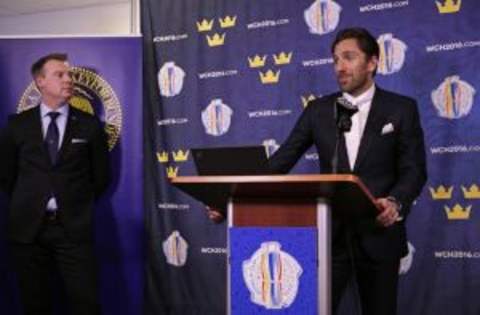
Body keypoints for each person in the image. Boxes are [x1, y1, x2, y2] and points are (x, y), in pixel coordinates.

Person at [206, 27, 427, 314]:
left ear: (372, 62)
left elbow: (414, 170)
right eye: (335, 60)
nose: (340, 67)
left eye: (349, 57)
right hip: (327, 239)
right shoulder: (319, 110)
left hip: (379, 236)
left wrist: (395, 202)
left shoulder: (402, 109)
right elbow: (279, 163)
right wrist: (228, 201)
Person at [0, 53, 109, 315]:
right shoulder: (17, 125)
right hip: (28, 230)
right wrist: (31, 201)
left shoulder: (91, 125)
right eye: (59, 75)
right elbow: (6, 176)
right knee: (35, 304)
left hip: (72, 230)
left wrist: (73, 204)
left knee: (86, 304)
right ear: (40, 81)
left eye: (69, 74)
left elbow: (101, 178)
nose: (68, 79)